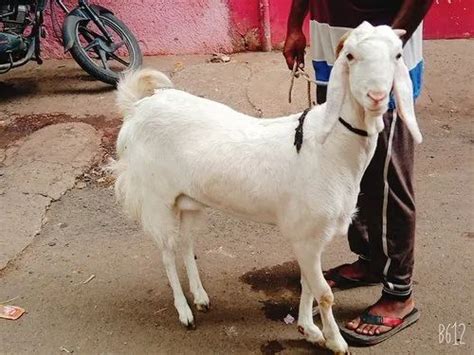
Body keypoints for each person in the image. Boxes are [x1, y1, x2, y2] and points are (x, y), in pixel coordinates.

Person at [283, 0, 433, 345]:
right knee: (351, 171)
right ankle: (369, 260)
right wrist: (295, 25)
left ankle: (399, 293)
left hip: (380, 67)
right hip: (336, 60)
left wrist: (385, 48)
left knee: (389, 180)